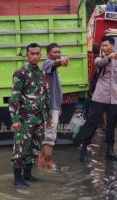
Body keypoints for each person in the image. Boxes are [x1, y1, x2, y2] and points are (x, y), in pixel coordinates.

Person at [8, 43, 51, 189]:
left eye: (37, 53)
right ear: (27, 55)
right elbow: (15, 97)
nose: (35, 56)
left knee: (35, 148)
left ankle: (27, 174)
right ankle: (17, 178)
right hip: (25, 119)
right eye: (32, 53)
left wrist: (48, 116)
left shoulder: (42, 73)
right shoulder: (20, 73)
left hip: (39, 118)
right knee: (21, 148)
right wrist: (15, 119)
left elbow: (45, 95)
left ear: (40, 55)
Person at [80, 36, 117, 162]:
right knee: (92, 123)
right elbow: (100, 63)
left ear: (112, 45)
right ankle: (84, 149)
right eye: (103, 46)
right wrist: (109, 57)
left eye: (106, 45)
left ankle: (110, 151)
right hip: (99, 97)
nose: (104, 48)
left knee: (111, 126)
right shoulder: (100, 59)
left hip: (114, 99)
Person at [37, 43, 69, 171]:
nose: (57, 54)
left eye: (59, 52)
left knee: (49, 135)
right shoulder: (47, 63)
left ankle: (41, 161)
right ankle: (48, 163)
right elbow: (55, 64)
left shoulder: (53, 68)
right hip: (49, 108)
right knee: (50, 136)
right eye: (54, 52)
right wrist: (61, 61)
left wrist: (58, 106)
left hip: (54, 106)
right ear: (48, 54)